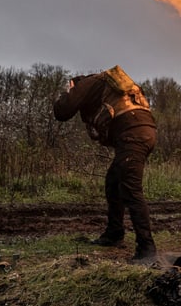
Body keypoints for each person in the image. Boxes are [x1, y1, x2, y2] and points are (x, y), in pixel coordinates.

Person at [53, 65, 159, 264]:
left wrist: (64, 93)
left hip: (132, 134)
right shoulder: (112, 84)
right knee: (113, 182)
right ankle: (114, 234)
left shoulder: (87, 83)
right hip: (144, 131)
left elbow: (63, 111)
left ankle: (147, 249)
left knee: (131, 189)